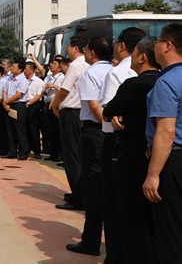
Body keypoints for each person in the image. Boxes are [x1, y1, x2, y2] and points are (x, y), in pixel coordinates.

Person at [103, 36, 160, 263]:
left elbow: (109, 110)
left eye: (135, 53)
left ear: (143, 57)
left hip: (132, 154)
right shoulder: (165, 81)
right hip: (162, 154)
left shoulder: (134, 84)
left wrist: (115, 114)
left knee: (131, 211)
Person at [99, 27, 144, 264]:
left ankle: (116, 255)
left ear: (122, 46)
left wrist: (113, 116)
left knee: (116, 203)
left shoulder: (117, 73)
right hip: (148, 145)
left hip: (117, 145)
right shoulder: (158, 73)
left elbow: (107, 111)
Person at [66, 37, 113, 257]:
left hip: (96, 131)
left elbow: (94, 106)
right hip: (113, 133)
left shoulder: (91, 73)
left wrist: (105, 127)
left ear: (92, 53)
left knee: (94, 188)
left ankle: (91, 241)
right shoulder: (116, 71)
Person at [143, 24, 182, 264]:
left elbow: (166, 133)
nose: (154, 45)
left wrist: (153, 174)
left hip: (174, 161)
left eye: (157, 41)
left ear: (167, 45)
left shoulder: (167, 82)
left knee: (171, 232)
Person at [51, 37, 90, 211]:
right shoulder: (89, 63)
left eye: (68, 46)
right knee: (80, 156)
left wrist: (54, 105)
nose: (67, 50)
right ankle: (80, 192)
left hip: (71, 113)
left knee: (72, 157)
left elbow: (63, 91)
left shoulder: (75, 65)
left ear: (75, 48)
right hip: (83, 113)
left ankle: (78, 198)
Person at [2, 60, 30, 160]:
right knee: (10, 130)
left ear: (20, 70)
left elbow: (19, 94)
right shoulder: (9, 79)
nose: (11, 68)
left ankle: (23, 153)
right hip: (9, 105)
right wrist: (6, 102)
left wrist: (6, 102)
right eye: (12, 67)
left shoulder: (23, 80)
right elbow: (5, 91)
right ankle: (11, 152)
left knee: (20, 130)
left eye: (14, 67)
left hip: (19, 106)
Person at [43, 59, 65, 161]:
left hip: (56, 106)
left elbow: (63, 90)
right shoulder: (48, 77)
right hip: (47, 104)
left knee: (57, 131)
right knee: (49, 131)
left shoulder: (62, 77)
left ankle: (59, 154)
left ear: (59, 68)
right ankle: (53, 153)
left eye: (55, 64)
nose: (52, 66)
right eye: (52, 64)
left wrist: (54, 86)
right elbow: (43, 88)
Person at [23, 61, 46, 159]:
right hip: (23, 105)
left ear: (32, 70)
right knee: (24, 128)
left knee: (33, 129)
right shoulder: (23, 80)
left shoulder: (38, 81)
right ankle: (25, 149)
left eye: (26, 69)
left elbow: (38, 95)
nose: (24, 71)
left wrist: (29, 103)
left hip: (33, 106)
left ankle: (37, 151)